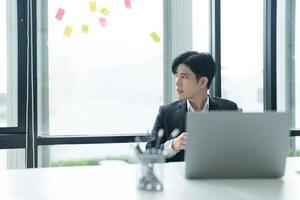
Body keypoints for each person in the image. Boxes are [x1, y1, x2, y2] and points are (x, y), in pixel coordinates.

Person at [146, 51, 238, 162]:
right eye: (177, 76)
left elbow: (241, 150)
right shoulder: (166, 112)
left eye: (184, 77)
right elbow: (149, 154)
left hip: (217, 176)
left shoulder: (229, 109)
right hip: (178, 178)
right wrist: (173, 145)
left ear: (203, 82)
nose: (177, 82)